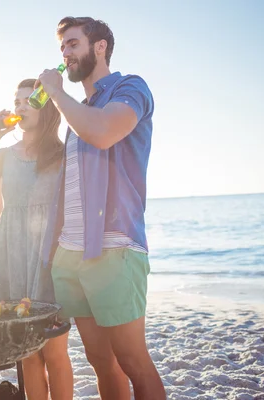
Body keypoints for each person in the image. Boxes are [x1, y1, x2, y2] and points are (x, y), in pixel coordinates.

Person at [38, 16, 166, 400]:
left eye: (73, 44)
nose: (65, 53)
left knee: (132, 360)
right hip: (72, 250)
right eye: (62, 47)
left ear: (100, 48)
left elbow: (104, 132)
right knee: (99, 359)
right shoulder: (77, 110)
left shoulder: (130, 88)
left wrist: (56, 94)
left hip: (114, 246)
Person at [0, 78, 73, 400]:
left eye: (29, 101)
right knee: (26, 353)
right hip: (10, 259)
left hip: (48, 259)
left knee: (54, 352)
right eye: (17, 102)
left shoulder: (63, 154)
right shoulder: (3, 156)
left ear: (46, 107)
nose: (21, 107)